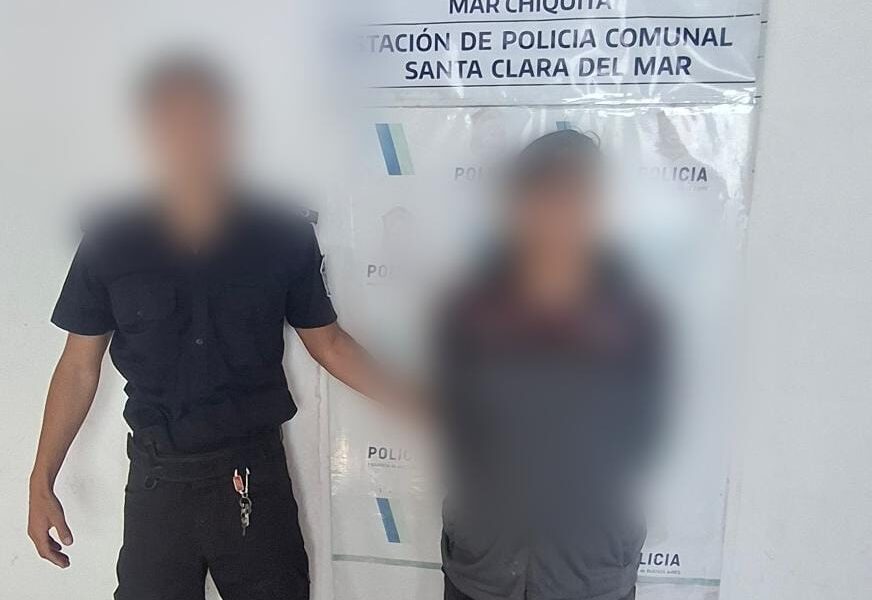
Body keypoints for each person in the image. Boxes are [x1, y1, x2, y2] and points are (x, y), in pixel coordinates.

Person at [27, 54, 393, 600]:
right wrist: (41, 481)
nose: (192, 138)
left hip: (255, 479)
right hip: (157, 486)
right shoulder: (111, 242)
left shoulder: (282, 236)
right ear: (151, 132)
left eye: (205, 120)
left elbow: (331, 345)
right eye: (175, 122)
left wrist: (421, 404)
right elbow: (79, 366)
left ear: (230, 127)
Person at [437, 130, 665, 600]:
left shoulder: (634, 313)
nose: (560, 216)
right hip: (483, 567)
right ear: (520, 206)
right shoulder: (472, 307)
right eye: (547, 198)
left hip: (589, 571)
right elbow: (457, 419)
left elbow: (643, 432)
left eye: (576, 198)